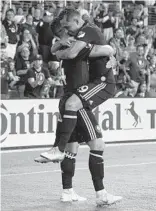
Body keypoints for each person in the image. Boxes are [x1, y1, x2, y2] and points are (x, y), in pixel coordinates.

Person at [36, 14, 121, 206]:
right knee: (97, 145)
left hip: (68, 97)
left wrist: (57, 48)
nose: (73, 32)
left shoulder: (70, 44)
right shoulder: (76, 45)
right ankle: (101, 195)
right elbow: (106, 49)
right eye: (67, 29)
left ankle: (67, 191)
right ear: (65, 31)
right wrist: (109, 51)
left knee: (72, 148)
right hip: (77, 99)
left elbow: (58, 51)